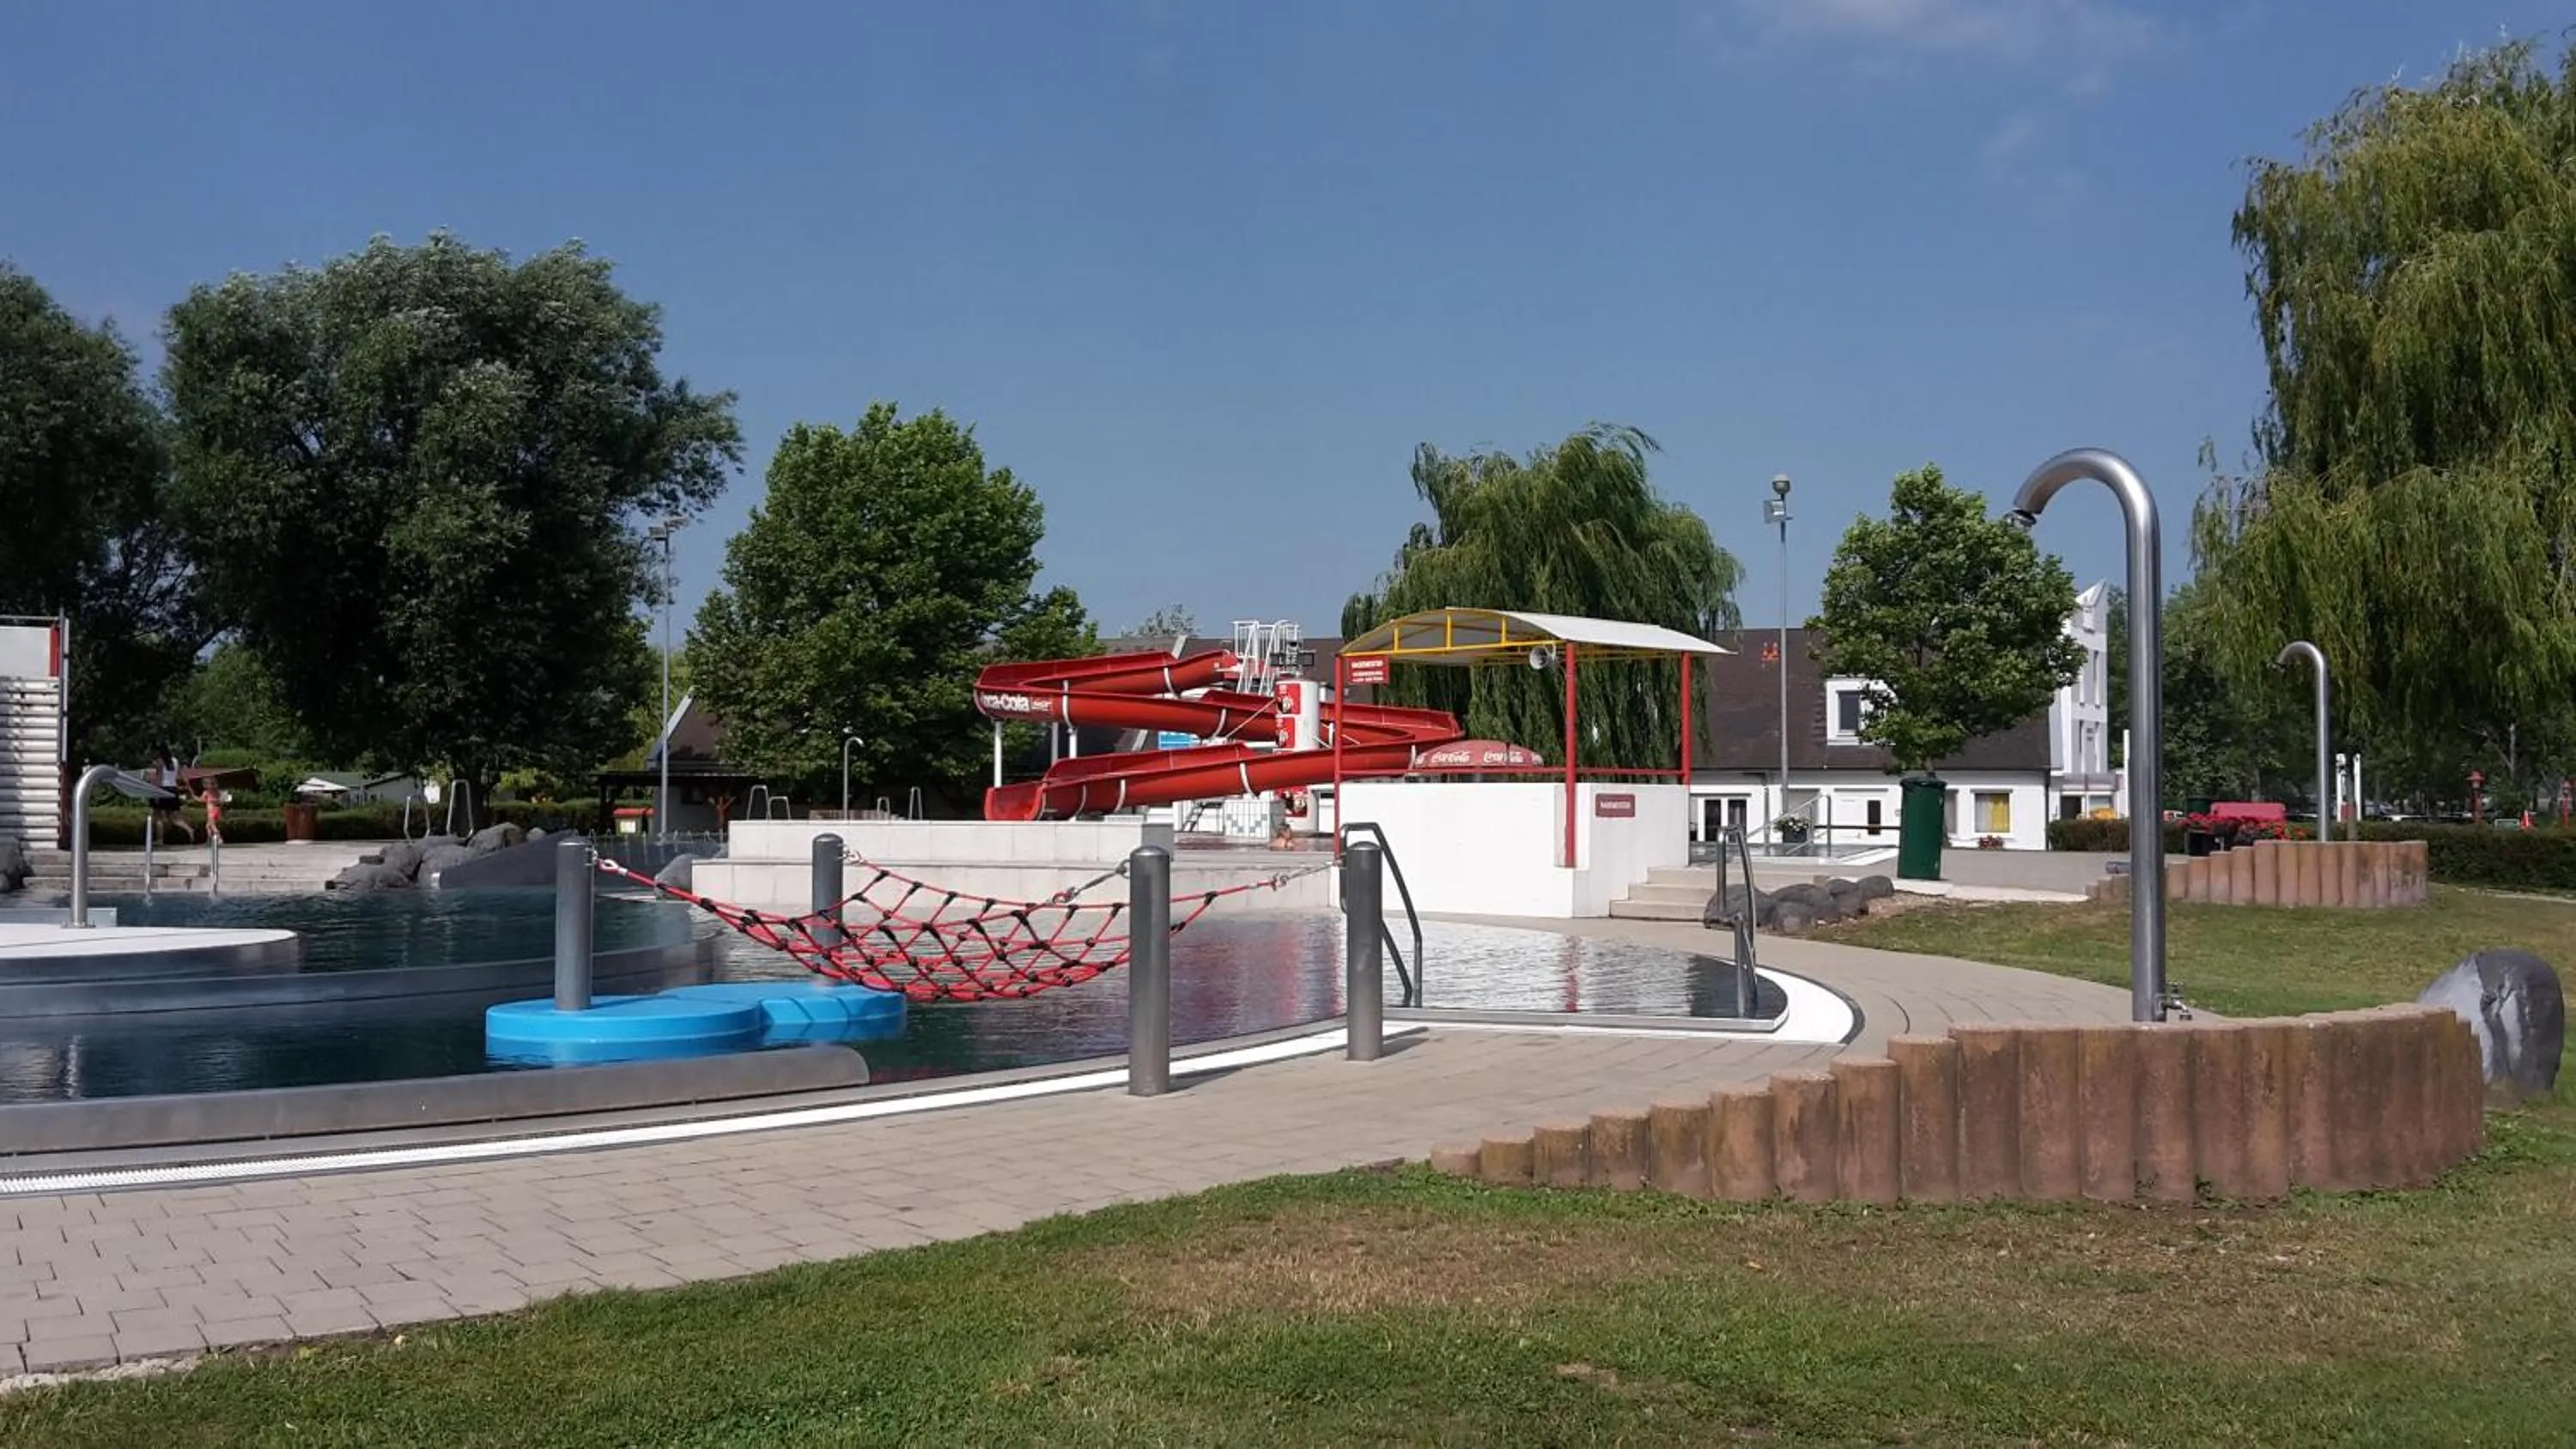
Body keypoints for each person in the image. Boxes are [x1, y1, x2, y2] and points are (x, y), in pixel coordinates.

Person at [151, 749, 195, 845]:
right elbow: (180, 775)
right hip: (173, 789)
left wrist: (155, 792)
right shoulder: (175, 760)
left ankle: (160, 839)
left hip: (163, 788)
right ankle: (189, 829)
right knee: (173, 818)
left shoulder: (160, 761)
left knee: (158, 816)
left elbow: (159, 778)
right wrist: (188, 787)